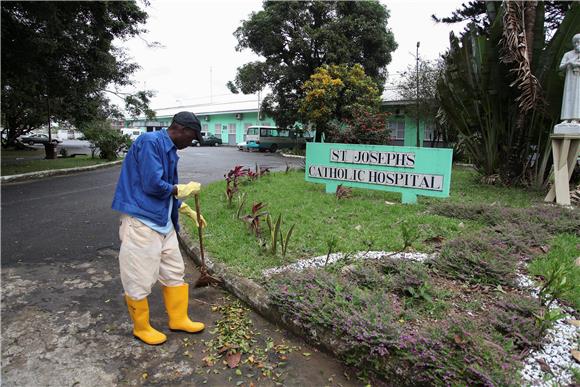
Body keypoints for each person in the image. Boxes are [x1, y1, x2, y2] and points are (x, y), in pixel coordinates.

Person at [112, 111, 208, 345]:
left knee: (174, 271)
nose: (191, 142)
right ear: (181, 130)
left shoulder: (170, 151)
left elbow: (164, 188)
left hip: (163, 222)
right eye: (192, 137)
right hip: (142, 222)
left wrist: (184, 208)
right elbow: (153, 184)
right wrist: (180, 189)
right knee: (139, 276)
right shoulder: (150, 142)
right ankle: (141, 327)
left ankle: (179, 319)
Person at [559, 33, 580, 123]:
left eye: (578, 42)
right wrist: (569, 63)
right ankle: (566, 118)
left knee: (577, 97)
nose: (577, 44)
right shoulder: (568, 54)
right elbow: (561, 67)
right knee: (568, 97)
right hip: (570, 80)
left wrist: (577, 64)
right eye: (575, 42)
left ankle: (576, 119)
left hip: (578, 80)